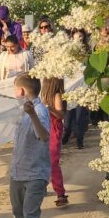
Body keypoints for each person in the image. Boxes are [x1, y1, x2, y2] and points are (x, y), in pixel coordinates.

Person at [9, 74, 51, 218]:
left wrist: (32, 115)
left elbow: (43, 136)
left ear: (23, 91)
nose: (13, 93)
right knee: (19, 217)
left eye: (15, 89)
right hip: (17, 173)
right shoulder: (20, 111)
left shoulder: (39, 111)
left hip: (35, 175)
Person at [41, 77, 69, 207]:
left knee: (52, 161)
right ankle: (44, 186)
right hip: (47, 127)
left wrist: (49, 108)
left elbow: (61, 114)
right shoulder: (45, 94)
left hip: (53, 128)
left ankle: (60, 193)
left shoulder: (56, 95)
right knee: (43, 159)